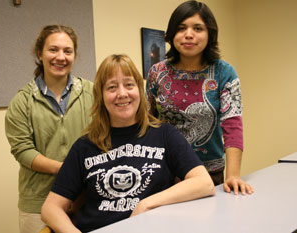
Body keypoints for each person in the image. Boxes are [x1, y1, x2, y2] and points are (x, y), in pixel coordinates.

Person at [41, 54, 215, 232]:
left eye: (129, 85)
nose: (122, 93)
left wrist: (147, 204)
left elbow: (204, 183)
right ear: (101, 96)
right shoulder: (83, 146)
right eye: (112, 87)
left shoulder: (165, 134)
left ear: (139, 90)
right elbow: (50, 208)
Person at [146, 0, 253, 195]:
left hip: (210, 176)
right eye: (181, 28)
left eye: (197, 28)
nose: (189, 34)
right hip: (164, 174)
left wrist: (233, 175)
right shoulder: (156, 72)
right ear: (171, 34)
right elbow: (148, 122)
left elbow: (233, 126)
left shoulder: (225, 73)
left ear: (209, 34)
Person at [5, 24, 94, 233]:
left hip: (86, 199)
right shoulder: (22, 101)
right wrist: (64, 169)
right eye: (53, 49)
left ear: (74, 55)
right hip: (37, 205)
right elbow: (23, 151)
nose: (60, 57)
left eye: (67, 51)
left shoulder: (92, 92)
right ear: (40, 53)